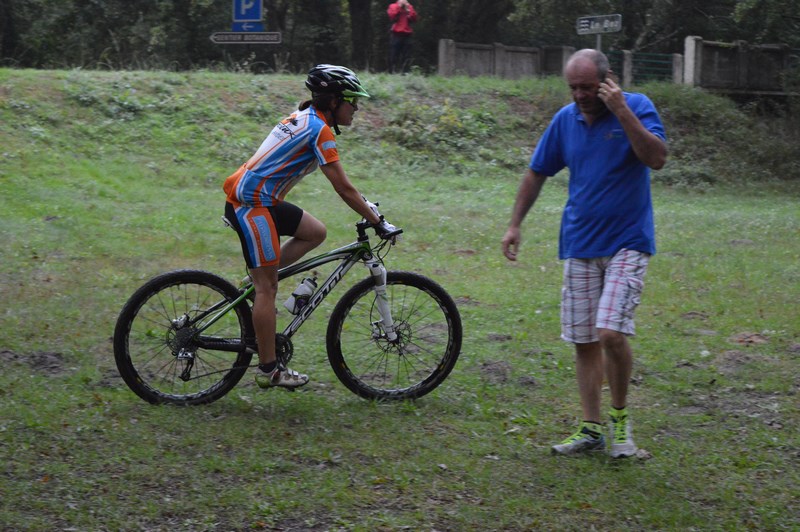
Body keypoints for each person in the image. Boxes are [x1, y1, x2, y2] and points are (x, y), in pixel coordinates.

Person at [501, 49, 667, 458]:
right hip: (578, 243)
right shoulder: (565, 120)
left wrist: (622, 110)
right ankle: (591, 429)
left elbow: (657, 158)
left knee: (610, 332)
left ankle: (621, 425)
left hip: (628, 240)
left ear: (607, 81)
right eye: (573, 87)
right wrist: (515, 223)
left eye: (587, 87)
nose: (579, 95)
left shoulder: (638, 106)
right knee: (584, 340)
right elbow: (537, 171)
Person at [223, 64, 399, 390]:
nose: (356, 108)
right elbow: (343, 188)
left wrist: (369, 208)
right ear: (333, 101)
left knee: (315, 232)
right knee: (268, 290)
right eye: (352, 101)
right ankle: (268, 370)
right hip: (251, 205)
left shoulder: (304, 117)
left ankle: (256, 278)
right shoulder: (319, 130)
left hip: (261, 199)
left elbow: (344, 187)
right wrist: (379, 222)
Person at [387, 0, 417, 73]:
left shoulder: (409, 7)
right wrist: (399, 7)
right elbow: (392, 16)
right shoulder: (393, 6)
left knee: (407, 55)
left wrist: (408, 10)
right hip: (396, 34)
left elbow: (414, 18)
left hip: (407, 34)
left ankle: (405, 72)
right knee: (394, 53)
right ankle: (392, 71)